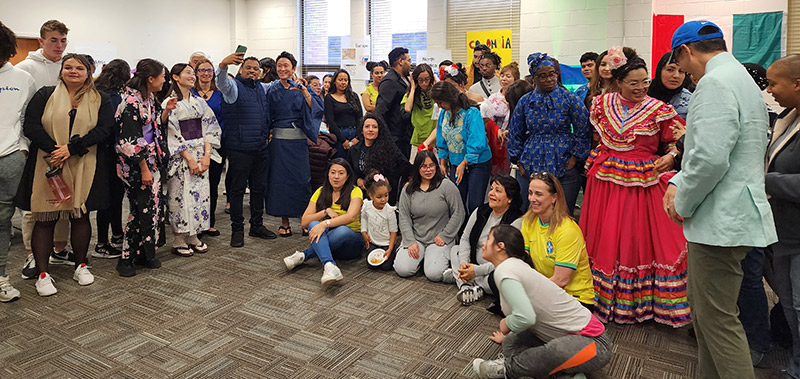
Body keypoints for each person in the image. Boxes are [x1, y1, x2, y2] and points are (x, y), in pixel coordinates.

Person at [664, 21, 778, 378]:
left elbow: (710, 157)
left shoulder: (714, 83)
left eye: (682, 65)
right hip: (736, 213)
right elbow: (732, 149)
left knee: (717, 321)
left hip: (721, 221)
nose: (684, 73)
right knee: (709, 316)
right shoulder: (741, 79)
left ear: (687, 51)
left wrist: (681, 199)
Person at [582, 48, 689, 327]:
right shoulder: (601, 104)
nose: (641, 88)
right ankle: (602, 298)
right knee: (605, 237)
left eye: (644, 82)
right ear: (619, 82)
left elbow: (678, 140)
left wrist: (672, 155)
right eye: (633, 83)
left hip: (642, 182)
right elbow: (596, 137)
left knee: (634, 239)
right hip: (605, 179)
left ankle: (639, 303)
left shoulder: (660, 110)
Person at [17, 53, 114, 295]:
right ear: (61, 71)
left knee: (79, 216)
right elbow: (31, 126)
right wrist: (55, 151)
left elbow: (104, 129)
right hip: (47, 162)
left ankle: (80, 265)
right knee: (46, 217)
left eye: (79, 68)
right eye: (68, 67)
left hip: (84, 162)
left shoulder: (101, 98)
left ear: (88, 72)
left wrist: (71, 149)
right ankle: (42, 273)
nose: (73, 71)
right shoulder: (45, 95)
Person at [470, 225, 612, 379]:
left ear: (500, 246)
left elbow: (526, 317)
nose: (483, 244)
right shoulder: (513, 266)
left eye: (488, 239)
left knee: (555, 350)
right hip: (559, 337)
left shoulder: (505, 271)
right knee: (510, 342)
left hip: (595, 345)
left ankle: (504, 369)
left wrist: (507, 323)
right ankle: (566, 376)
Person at [17, 20, 74, 280]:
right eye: (53, 40)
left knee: (63, 199)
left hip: (65, 148)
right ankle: (32, 253)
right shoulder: (26, 69)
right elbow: (21, 113)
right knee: (36, 204)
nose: (59, 46)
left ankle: (59, 249)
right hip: (35, 146)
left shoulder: (68, 67)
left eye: (63, 40)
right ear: (41, 41)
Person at [507, 53, 589, 217]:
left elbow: (583, 128)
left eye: (552, 74)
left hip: (564, 161)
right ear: (534, 79)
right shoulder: (525, 101)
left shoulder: (569, 98)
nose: (549, 79)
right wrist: (518, 160)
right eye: (542, 76)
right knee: (530, 213)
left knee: (563, 214)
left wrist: (575, 157)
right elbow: (515, 132)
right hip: (531, 162)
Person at [114, 59, 174, 277]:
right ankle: (127, 258)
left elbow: (155, 124)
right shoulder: (130, 102)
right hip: (137, 166)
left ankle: (144, 253)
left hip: (151, 162)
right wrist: (144, 168)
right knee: (140, 211)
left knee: (152, 209)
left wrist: (165, 110)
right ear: (151, 79)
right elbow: (130, 139)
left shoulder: (148, 99)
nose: (164, 80)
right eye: (162, 76)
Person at [216, 51, 277, 247]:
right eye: (248, 68)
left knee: (259, 189)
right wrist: (223, 65)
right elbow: (221, 82)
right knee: (237, 190)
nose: (252, 71)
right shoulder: (233, 88)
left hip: (260, 147)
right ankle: (237, 230)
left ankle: (257, 225)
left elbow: (275, 85)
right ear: (240, 69)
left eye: (256, 69)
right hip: (239, 148)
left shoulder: (262, 88)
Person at [765, 54, 800, 379]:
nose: (769, 89)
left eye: (774, 83)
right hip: (786, 232)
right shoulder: (787, 119)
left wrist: (764, 180)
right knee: (789, 305)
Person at [163, 63, 221, 256]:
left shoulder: (198, 101)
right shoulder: (169, 102)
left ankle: (194, 234)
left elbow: (211, 127)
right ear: (175, 77)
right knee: (179, 196)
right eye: (188, 73)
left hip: (200, 153)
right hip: (182, 156)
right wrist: (189, 158)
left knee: (201, 195)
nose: (192, 76)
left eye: (192, 73)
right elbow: (171, 132)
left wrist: (206, 156)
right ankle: (179, 238)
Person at [264, 51, 323, 238]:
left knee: (302, 181)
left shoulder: (302, 86)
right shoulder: (272, 89)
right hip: (279, 143)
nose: (282, 69)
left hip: (298, 143)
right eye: (279, 65)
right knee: (280, 182)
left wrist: (304, 90)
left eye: (286, 66)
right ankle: (285, 222)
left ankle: (305, 221)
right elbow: (265, 113)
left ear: (293, 69)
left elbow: (316, 108)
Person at [283, 158, 364, 286]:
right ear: (328, 174)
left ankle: (305, 255)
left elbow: (350, 217)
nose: (336, 176)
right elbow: (304, 222)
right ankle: (329, 265)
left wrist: (325, 224)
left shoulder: (355, 191)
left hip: (351, 243)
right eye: (333, 172)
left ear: (348, 176)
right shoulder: (321, 191)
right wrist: (325, 212)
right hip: (329, 243)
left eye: (341, 173)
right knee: (312, 224)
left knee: (341, 230)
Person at [522, 172, 594, 307]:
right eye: (530, 193)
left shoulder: (567, 230)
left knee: (524, 314)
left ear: (554, 197)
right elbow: (524, 261)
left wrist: (530, 295)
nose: (532, 199)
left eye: (538, 194)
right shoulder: (528, 221)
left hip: (574, 298)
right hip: (546, 290)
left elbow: (561, 280)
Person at [0, 22, 34, 301]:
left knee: (3, 221)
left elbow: (28, 120)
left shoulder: (22, 78)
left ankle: (1, 276)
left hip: (10, 158)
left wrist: (21, 149)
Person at [449, 175, 523, 306]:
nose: (491, 194)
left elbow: (508, 259)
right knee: (455, 250)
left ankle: (473, 283)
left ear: (510, 198)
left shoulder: (516, 221)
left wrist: (476, 271)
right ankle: (466, 287)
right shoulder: (481, 211)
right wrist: (464, 263)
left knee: (502, 277)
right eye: (492, 189)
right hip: (473, 262)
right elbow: (465, 238)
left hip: (493, 268)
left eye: (498, 191)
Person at [394, 150, 465, 281]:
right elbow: (404, 217)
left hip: (439, 238)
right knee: (402, 269)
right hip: (417, 238)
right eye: (423, 166)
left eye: (431, 165)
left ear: (436, 166)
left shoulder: (446, 186)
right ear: (417, 168)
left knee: (434, 274)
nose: (428, 170)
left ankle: (432, 260)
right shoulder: (408, 189)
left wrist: (445, 235)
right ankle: (423, 259)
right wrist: (410, 241)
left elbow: (459, 212)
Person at [431, 81, 492, 214]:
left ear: (449, 98)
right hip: (455, 162)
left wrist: (465, 162)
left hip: (478, 163)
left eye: (441, 102)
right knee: (457, 202)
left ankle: (473, 232)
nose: (439, 106)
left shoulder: (472, 113)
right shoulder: (444, 113)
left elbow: (477, 141)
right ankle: (460, 232)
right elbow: (442, 139)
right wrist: (442, 162)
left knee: (474, 204)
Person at [92, 58, 130, 258]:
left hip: (99, 151)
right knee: (110, 199)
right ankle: (101, 244)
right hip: (111, 154)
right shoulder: (114, 97)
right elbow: (117, 126)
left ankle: (116, 235)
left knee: (112, 198)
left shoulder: (95, 90)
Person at [192, 58, 226, 237]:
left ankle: (209, 221)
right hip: (195, 145)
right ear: (195, 72)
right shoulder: (189, 93)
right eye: (202, 70)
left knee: (213, 183)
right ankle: (195, 222)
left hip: (217, 145)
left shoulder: (220, 93)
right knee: (196, 184)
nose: (206, 73)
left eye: (209, 70)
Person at [346, 113, 409, 205]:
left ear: (379, 130)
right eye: (367, 126)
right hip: (361, 194)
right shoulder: (354, 150)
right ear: (362, 130)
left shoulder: (389, 148)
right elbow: (349, 170)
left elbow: (404, 166)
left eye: (374, 127)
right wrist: (357, 179)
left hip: (382, 197)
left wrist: (387, 180)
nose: (370, 129)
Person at [481, 62, 519, 176]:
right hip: (494, 137)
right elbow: (487, 119)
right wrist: (496, 129)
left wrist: (509, 106)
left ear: (515, 79)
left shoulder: (519, 96)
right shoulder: (493, 98)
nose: (504, 79)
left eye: (508, 76)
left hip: (510, 138)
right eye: (502, 76)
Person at [374, 47, 412, 159]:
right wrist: (386, 137)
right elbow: (380, 111)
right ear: (401, 61)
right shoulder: (390, 81)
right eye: (408, 61)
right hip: (395, 135)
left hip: (405, 133)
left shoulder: (405, 78)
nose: (410, 64)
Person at [361, 171, 398, 271]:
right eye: (379, 197)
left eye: (386, 195)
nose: (383, 200)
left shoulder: (389, 211)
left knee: (386, 266)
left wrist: (390, 248)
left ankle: (395, 253)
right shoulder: (367, 206)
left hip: (386, 243)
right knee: (372, 264)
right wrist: (364, 232)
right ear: (371, 196)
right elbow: (363, 219)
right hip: (373, 242)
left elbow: (393, 231)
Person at [324, 69, 362, 160]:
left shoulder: (354, 96)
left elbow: (360, 118)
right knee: (340, 162)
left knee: (354, 163)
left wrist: (357, 137)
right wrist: (343, 140)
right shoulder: (329, 98)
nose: (343, 82)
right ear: (334, 82)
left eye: (346, 80)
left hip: (354, 134)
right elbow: (330, 121)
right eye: (340, 80)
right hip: (339, 135)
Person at [403, 63, 435, 160]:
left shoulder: (435, 92)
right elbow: (407, 108)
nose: (424, 83)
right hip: (418, 138)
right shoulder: (413, 93)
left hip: (435, 139)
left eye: (427, 79)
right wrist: (413, 87)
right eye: (420, 80)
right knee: (416, 170)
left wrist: (436, 85)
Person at [648, 52, 692, 120]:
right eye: (670, 70)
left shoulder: (690, 101)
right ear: (660, 71)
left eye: (681, 71)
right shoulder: (642, 95)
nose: (676, 75)